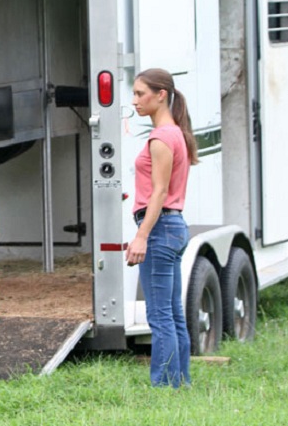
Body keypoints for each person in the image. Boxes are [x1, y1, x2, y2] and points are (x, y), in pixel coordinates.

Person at [125, 68, 199, 388]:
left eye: (141, 93)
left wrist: (141, 236)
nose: (135, 100)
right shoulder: (176, 134)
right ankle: (180, 382)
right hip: (173, 226)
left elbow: (159, 191)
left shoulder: (160, 138)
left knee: (160, 317)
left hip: (159, 228)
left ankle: (164, 388)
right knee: (173, 314)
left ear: (161, 95)